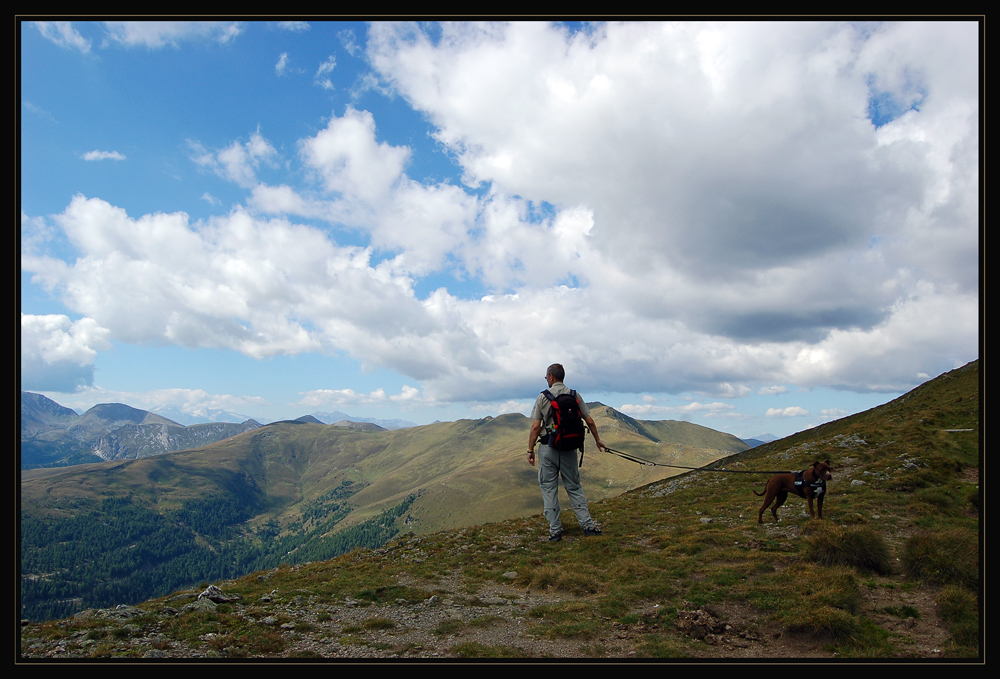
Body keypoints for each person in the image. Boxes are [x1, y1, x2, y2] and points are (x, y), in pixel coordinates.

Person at [526, 363, 607, 541]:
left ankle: (555, 531)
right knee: (574, 487)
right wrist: (598, 440)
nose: (546, 379)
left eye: (547, 377)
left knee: (549, 488)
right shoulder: (574, 395)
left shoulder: (543, 397)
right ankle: (588, 526)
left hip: (549, 448)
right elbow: (590, 421)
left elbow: (535, 427)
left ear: (552, 377)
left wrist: (530, 449)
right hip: (570, 448)